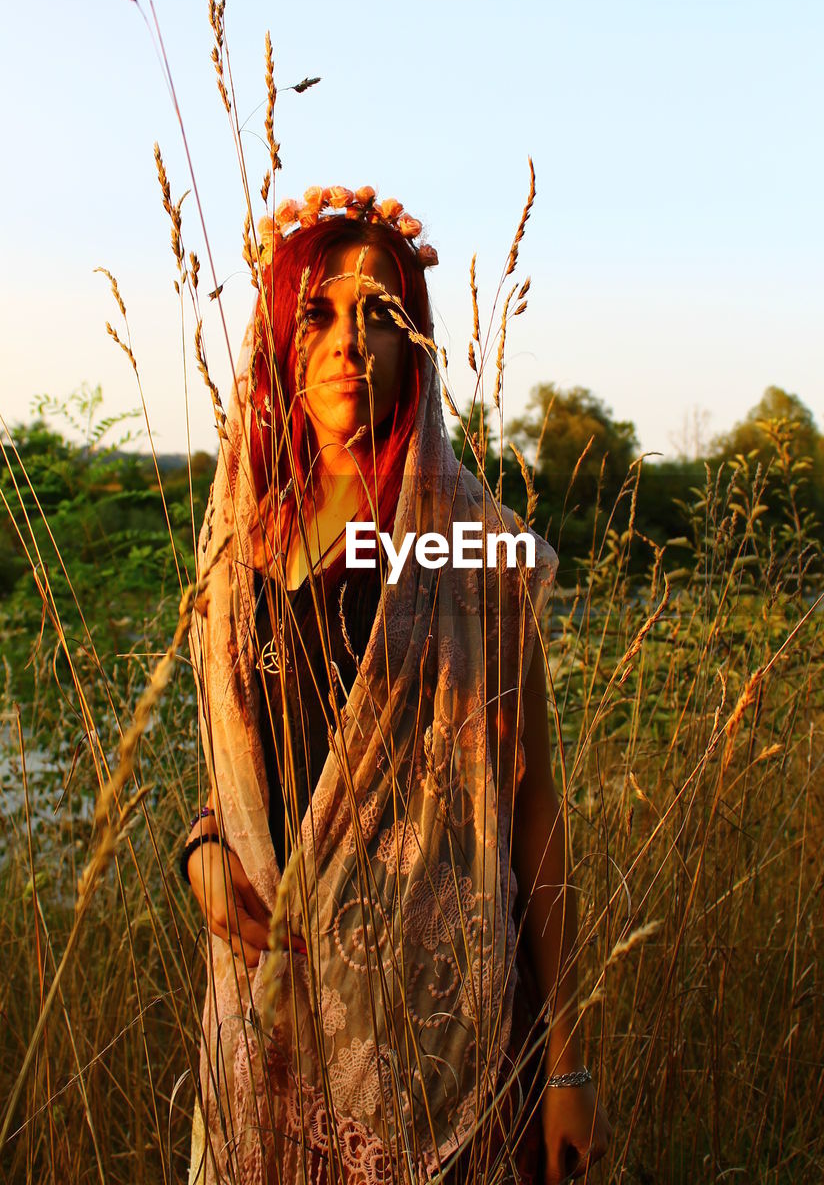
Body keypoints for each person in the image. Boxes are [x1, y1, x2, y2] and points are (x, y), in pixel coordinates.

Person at [183, 185, 612, 1184]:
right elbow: (236, 775)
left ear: (414, 344)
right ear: (281, 348)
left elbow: (534, 805)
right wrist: (200, 851)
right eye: (319, 312)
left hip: (430, 1050)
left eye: (380, 315)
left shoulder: (476, 551)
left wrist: (566, 1058)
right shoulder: (241, 546)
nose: (347, 342)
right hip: (263, 1036)